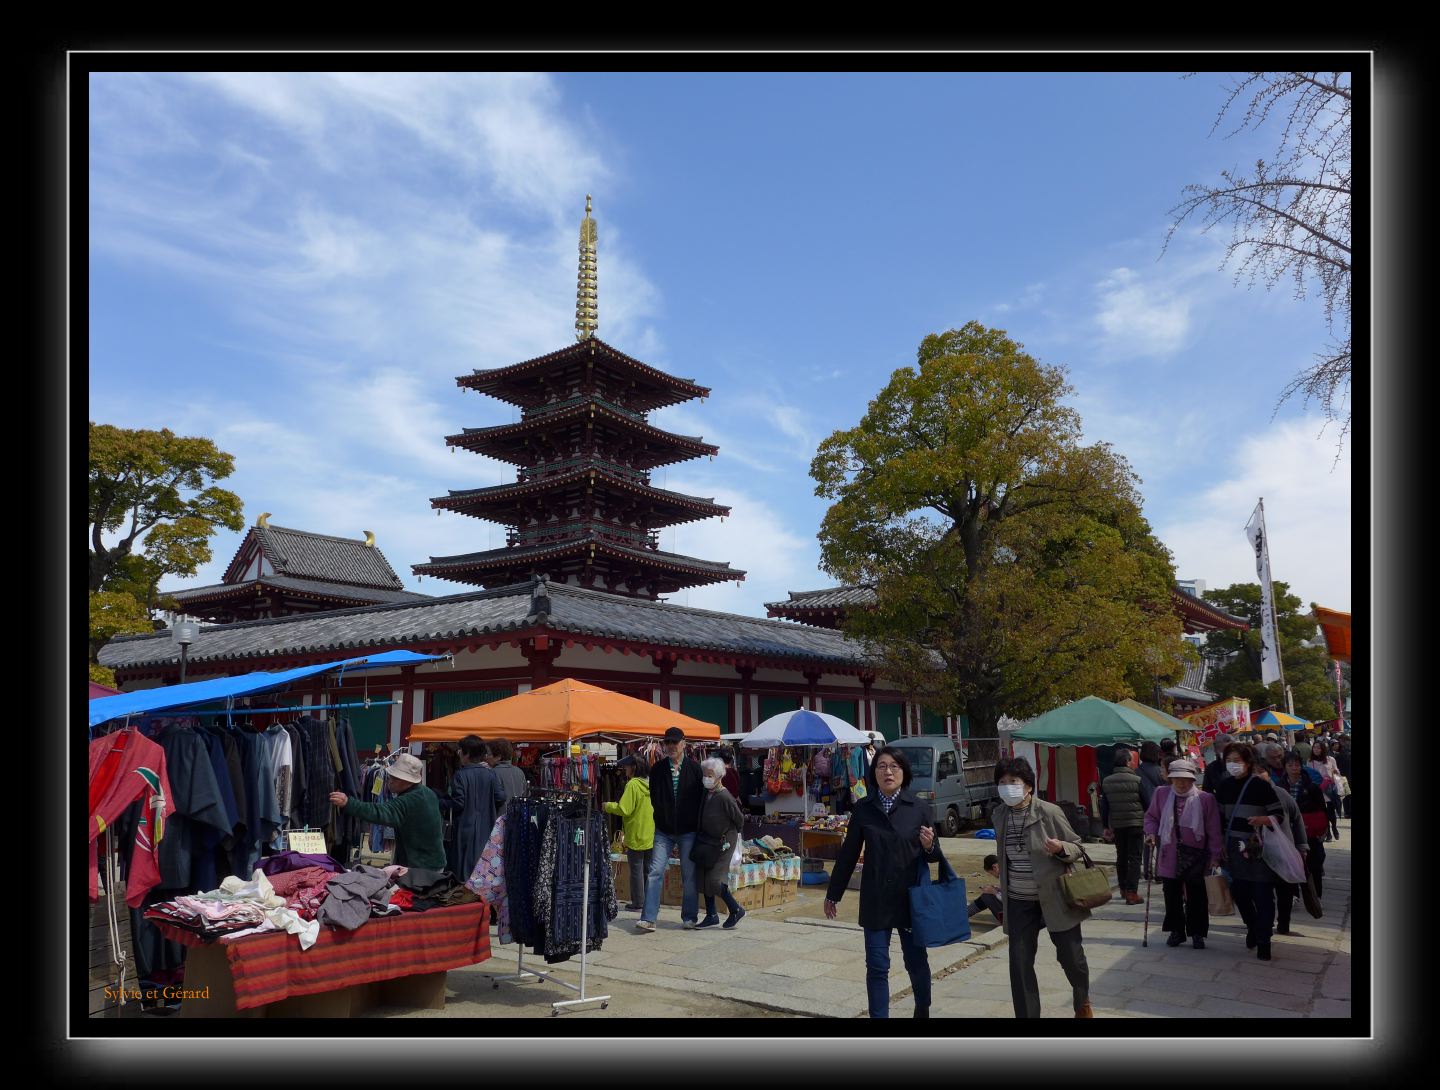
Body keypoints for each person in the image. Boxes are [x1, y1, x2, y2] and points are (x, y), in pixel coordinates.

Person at [824, 746, 943, 1018]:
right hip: (876, 899)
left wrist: (929, 846)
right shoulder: (864, 809)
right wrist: (834, 894)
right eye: (881, 766)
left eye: (894, 766)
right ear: (873, 772)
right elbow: (848, 854)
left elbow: (935, 857)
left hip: (911, 900)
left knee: (915, 962)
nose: (888, 772)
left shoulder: (920, 809)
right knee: (877, 966)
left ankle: (922, 1007)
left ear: (904, 772)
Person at [991, 755, 1093, 1018]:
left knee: (1072, 958)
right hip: (1019, 899)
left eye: (1013, 781)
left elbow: (1078, 847)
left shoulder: (1049, 812)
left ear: (1028, 786)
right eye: (1002, 782)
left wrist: (1061, 848)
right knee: (1020, 963)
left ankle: (1082, 1002)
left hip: (1056, 895)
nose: (1007, 786)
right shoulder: (999, 814)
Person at [1214, 741, 1287, 961]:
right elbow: (1218, 819)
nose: (1232, 765)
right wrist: (1219, 846)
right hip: (1233, 849)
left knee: (1263, 895)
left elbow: (1279, 815)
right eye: (1229, 761)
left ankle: (1264, 940)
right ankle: (1252, 926)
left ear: (1248, 762)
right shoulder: (1224, 786)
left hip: (1258, 848)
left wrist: (1264, 819)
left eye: (1237, 761)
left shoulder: (1261, 786)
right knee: (1241, 894)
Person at [1142, 758, 1221, 949]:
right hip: (1169, 852)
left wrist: (1215, 855)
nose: (1181, 782)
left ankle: (1197, 933)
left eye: (1185, 778)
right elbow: (1151, 817)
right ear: (1170, 779)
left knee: (1197, 895)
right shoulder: (1161, 794)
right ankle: (1177, 931)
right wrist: (1151, 833)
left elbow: (1214, 829)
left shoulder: (1205, 799)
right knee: (1171, 894)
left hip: (1197, 854)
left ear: (1193, 779)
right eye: (1176, 778)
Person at [329, 752, 446, 870]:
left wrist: (349, 803)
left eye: (394, 778)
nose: (389, 780)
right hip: (433, 862)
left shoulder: (408, 800)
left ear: (406, 780)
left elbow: (380, 812)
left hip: (422, 867)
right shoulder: (427, 793)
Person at [638, 726, 704, 932]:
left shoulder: (695, 769)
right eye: (667, 742)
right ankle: (649, 918)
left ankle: (689, 917)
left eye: (675, 742)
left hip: (688, 830)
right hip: (664, 830)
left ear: (684, 743)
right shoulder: (657, 769)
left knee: (689, 874)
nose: (671, 746)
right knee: (655, 871)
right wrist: (663, 816)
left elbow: (700, 800)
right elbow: (655, 797)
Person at [438, 735, 507, 884]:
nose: (459, 754)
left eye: (460, 751)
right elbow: (501, 796)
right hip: (486, 827)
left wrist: (439, 802)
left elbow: (458, 803)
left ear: (467, 754)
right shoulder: (490, 773)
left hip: (463, 828)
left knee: (461, 870)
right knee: (482, 868)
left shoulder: (460, 775)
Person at [1254, 760, 1310, 937]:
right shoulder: (1247, 794)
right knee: (1263, 892)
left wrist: (1302, 846)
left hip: (1283, 849)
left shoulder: (1281, 793)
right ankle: (1266, 923)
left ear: (1268, 773)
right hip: (1258, 852)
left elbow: (1297, 818)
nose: (1257, 775)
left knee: (1285, 890)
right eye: (1253, 772)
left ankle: (1283, 923)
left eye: (1261, 771)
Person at [695, 757, 747, 928]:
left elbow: (739, 820)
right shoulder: (706, 793)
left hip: (724, 841)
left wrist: (728, 836)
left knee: (714, 880)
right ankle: (711, 914)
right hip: (706, 840)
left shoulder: (725, 796)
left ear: (718, 776)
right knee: (702, 875)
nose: (706, 778)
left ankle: (735, 909)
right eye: (705, 775)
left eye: (709, 775)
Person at [603, 754, 654, 911]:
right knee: (648, 870)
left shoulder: (632, 785)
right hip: (650, 832)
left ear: (634, 767)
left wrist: (608, 806)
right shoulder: (650, 783)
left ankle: (638, 902)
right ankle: (650, 902)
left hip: (636, 833)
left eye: (626, 766)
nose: (624, 769)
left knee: (636, 870)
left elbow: (624, 809)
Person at [1100, 748, 1146, 905]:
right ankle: (1132, 893)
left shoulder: (1106, 781)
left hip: (1118, 825)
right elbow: (1146, 802)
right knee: (1134, 858)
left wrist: (1106, 825)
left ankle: (1123, 888)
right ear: (1127, 762)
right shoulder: (1137, 780)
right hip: (1136, 823)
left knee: (1121, 856)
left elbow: (1104, 806)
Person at [1283, 753, 1329, 898]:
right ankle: (1294, 894)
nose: (1294, 768)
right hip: (1287, 831)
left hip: (1309, 831)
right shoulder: (1280, 786)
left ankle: (1316, 896)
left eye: (1296, 764)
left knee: (1313, 864)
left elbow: (1322, 809)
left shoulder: (1312, 787)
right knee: (1290, 864)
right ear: (1285, 767)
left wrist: (1325, 828)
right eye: (1290, 765)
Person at [1309, 740, 1342, 841]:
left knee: (1331, 811)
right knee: (1323, 812)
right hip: (1318, 790)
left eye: (1318, 747)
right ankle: (1328, 833)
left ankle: (1334, 827)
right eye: (1314, 747)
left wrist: (1335, 773)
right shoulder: (1310, 761)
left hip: (1329, 789)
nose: (1316, 749)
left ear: (1323, 749)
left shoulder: (1330, 759)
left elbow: (1337, 772)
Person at [485, 737, 528, 802]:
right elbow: (525, 794)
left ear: (498, 757)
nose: (486, 757)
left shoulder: (492, 773)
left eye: (488, 754)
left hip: (500, 811)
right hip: (517, 810)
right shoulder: (519, 772)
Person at [968, 855, 1003, 922]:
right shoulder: (1010, 871)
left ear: (994, 867)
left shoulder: (1003, 876)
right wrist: (999, 889)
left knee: (987, 896)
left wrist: (994, 892)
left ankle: (964, 914)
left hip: (1014, 918)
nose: (993, 876)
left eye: (991, 873)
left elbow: (1010, 899)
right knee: (988, 894)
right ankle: (965, 912)